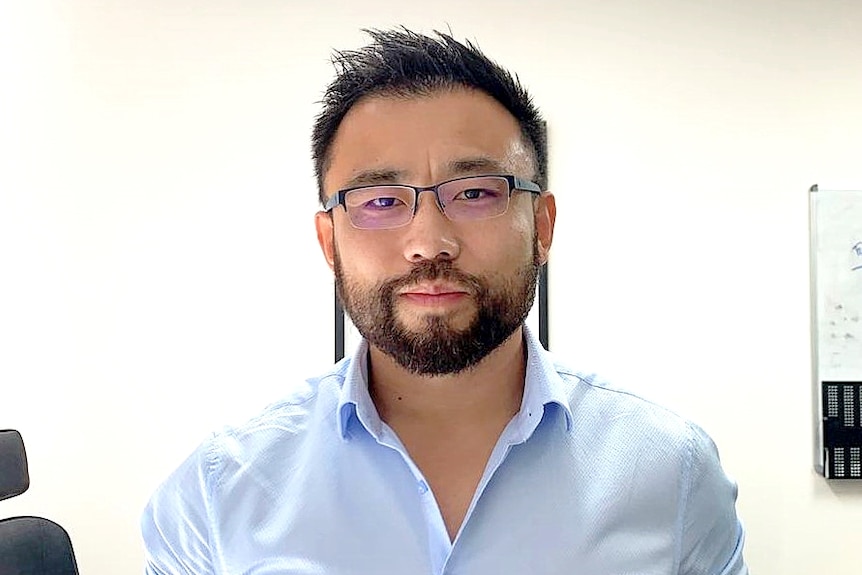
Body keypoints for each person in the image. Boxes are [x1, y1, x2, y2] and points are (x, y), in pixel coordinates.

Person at [141, 28, 748, 574]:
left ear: (543, 224)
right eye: (379, 201)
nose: (429, 242)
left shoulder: (673, 475)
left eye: (477, 192)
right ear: (329, 241)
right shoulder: (217, 495)